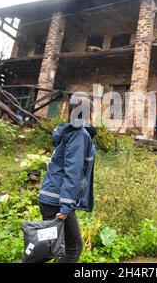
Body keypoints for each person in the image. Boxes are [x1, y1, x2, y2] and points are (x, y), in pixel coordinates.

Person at [37, 97, 96, 263]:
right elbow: (73, 171)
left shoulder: (70, 131)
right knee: (73, 248)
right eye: (93, 111)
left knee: (47, 249)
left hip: (52, 196)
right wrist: (65, 206)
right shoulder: (79, 134)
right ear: (88, 113)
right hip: (58, 200)